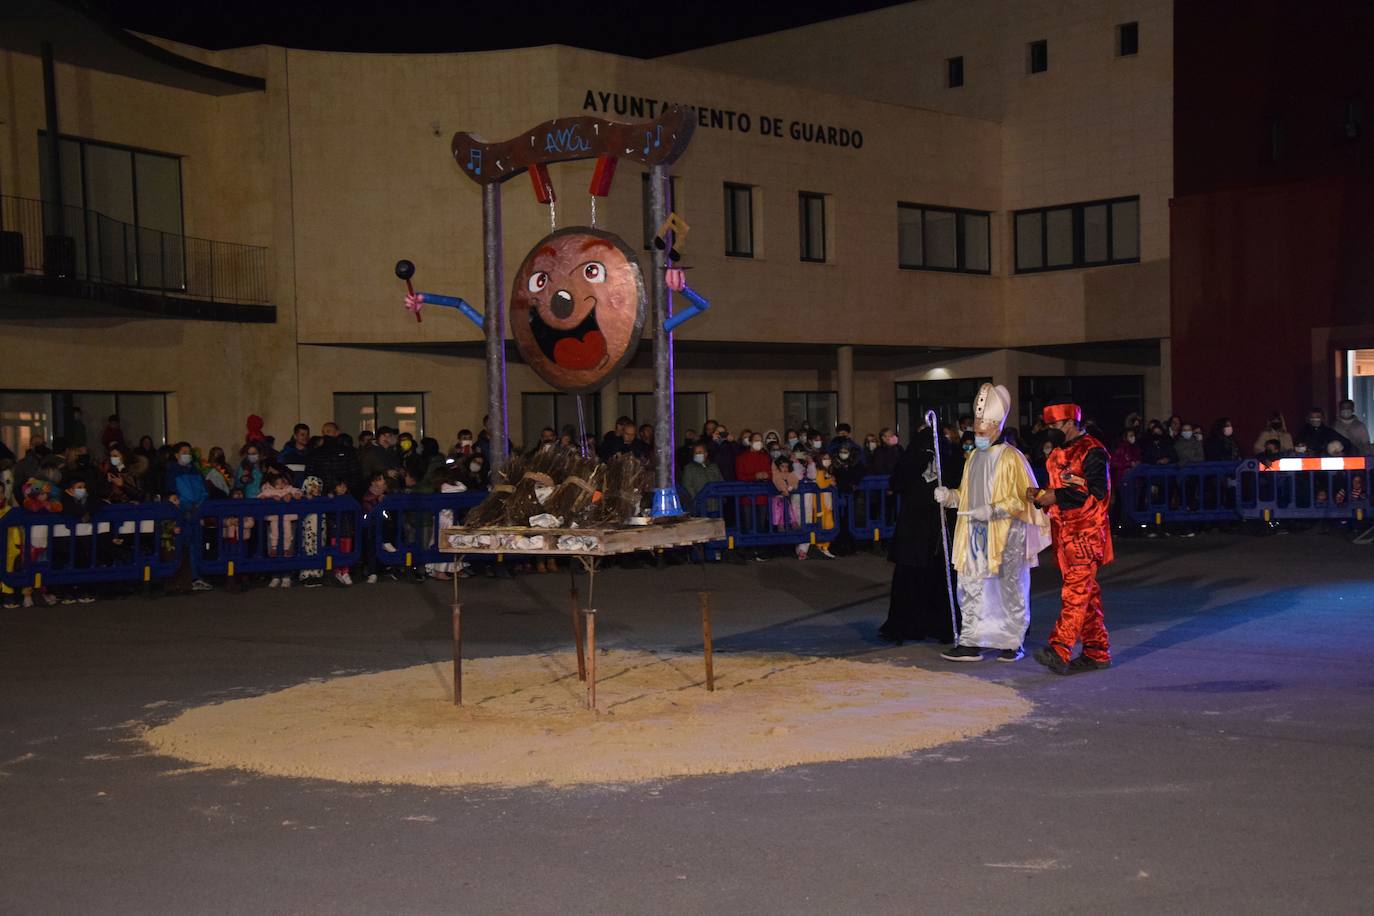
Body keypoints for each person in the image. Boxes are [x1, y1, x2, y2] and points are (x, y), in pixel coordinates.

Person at [932, 383, 1050, 662]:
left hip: (1006, 533)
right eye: (976, 428)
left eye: (983, 429)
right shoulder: (973, 456)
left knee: (1009, 587)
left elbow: (1022, 499)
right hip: (975, 533)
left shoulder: (1011, 458)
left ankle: (1012, 641)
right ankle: (972, 640)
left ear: (997, 428)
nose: (978, 433)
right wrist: (950, 496)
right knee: (972, 585)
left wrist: (992, 510)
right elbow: (967, 495)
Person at [1029, 402, 1114, 675]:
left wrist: (1057, 496)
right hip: (1064, 534)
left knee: (1075, 593)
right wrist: (1043, 495)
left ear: (1070, 423)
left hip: (1086, 534)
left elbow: (1099, 493)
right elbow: (1061, 490)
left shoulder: (1093, 451)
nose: (1050, 432)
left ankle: (1060, 648)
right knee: (1088, 596)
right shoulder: (1058, 453)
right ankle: (1096, 652)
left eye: (1054, 426)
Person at [882, 426, 957, 643]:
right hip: (916, 531)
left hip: (934, 531)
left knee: (937, 579)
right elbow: (899, 482)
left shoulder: (947, 457)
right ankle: (910, 625)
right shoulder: (914, 458)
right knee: (913, 579)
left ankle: (936, 625)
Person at [681, 441, 721, 514]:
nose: (698, 455)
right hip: (698, 507)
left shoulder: (713, 467)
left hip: (715, 505)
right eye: (696, 453)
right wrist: (697, 500)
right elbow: (687, 486)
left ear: (706, 454)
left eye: (700, 452)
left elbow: (720, 482)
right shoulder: (689, 468)